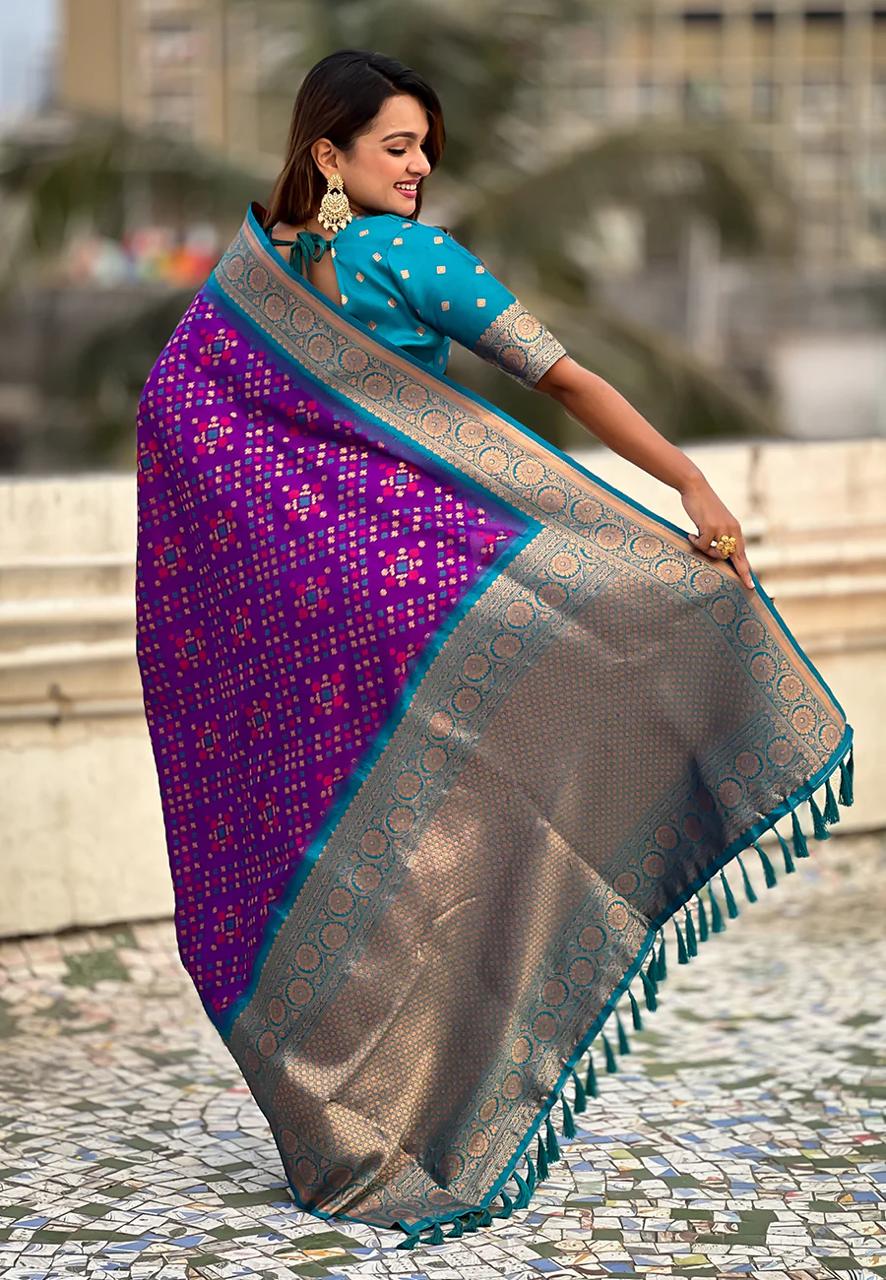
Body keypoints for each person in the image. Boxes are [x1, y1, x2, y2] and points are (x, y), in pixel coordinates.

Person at [135, 49, 854, 1250]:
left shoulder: (246, 284)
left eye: (427, 148)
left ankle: (352, 1116)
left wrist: (281, 562)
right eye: (396, 146)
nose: (418, 169)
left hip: (317, 626)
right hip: (423, 595)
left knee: (375, 845)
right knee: (626, 639)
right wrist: (686, 482)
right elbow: (563, 379)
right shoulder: (412, 257)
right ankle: (416, 1096)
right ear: (331, 154)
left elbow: (173, 417)